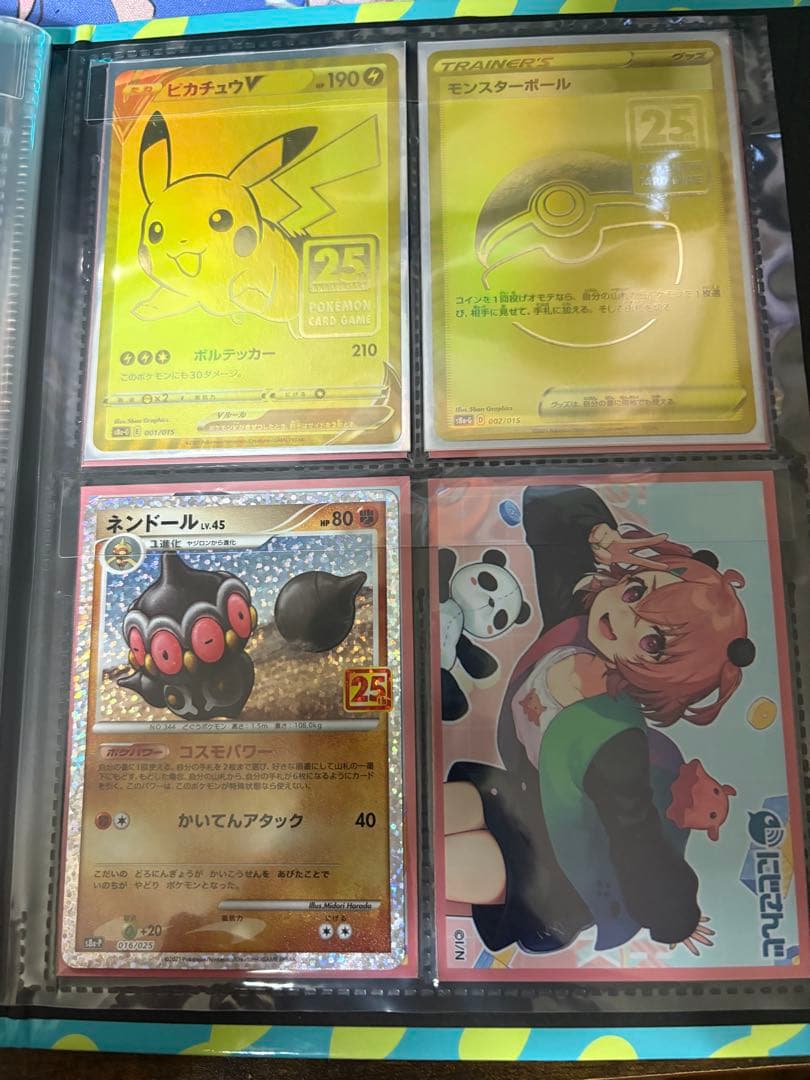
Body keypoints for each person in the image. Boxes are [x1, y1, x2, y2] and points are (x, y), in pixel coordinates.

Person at [444, 484, 755, 958]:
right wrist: (597, 534)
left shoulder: (616, 744)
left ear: (671, 676)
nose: (623, 617)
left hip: (552, 873)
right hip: (518, 801)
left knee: (413, 862)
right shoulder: (578, 624)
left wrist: (674, 917)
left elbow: (637, 838)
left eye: (653, 643)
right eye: (635, 592)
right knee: (408, 823)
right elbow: (547, 502)